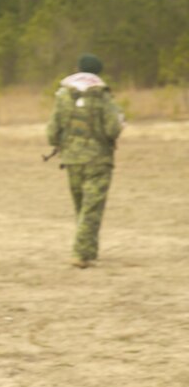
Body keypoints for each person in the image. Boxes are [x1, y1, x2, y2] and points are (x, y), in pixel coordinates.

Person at [46, 53, 124, 268]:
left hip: (71, 159)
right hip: (98, 159)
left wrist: (60, 143)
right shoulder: (103, 95)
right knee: (92, 208)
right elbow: (113, 128)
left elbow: (52, 131)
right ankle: (81, 253)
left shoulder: (63, 94)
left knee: (82, 207)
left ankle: (89, 250)